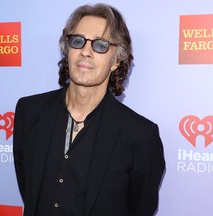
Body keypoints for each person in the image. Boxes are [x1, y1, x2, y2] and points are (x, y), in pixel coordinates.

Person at [13, 3, 165, 216]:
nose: (85, 52)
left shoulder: (139, 135)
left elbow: (140, 208)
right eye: (78, 41)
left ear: (116, 60)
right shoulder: (29, 113)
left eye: (100, 45)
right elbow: (28, 187)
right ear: (68, 50)